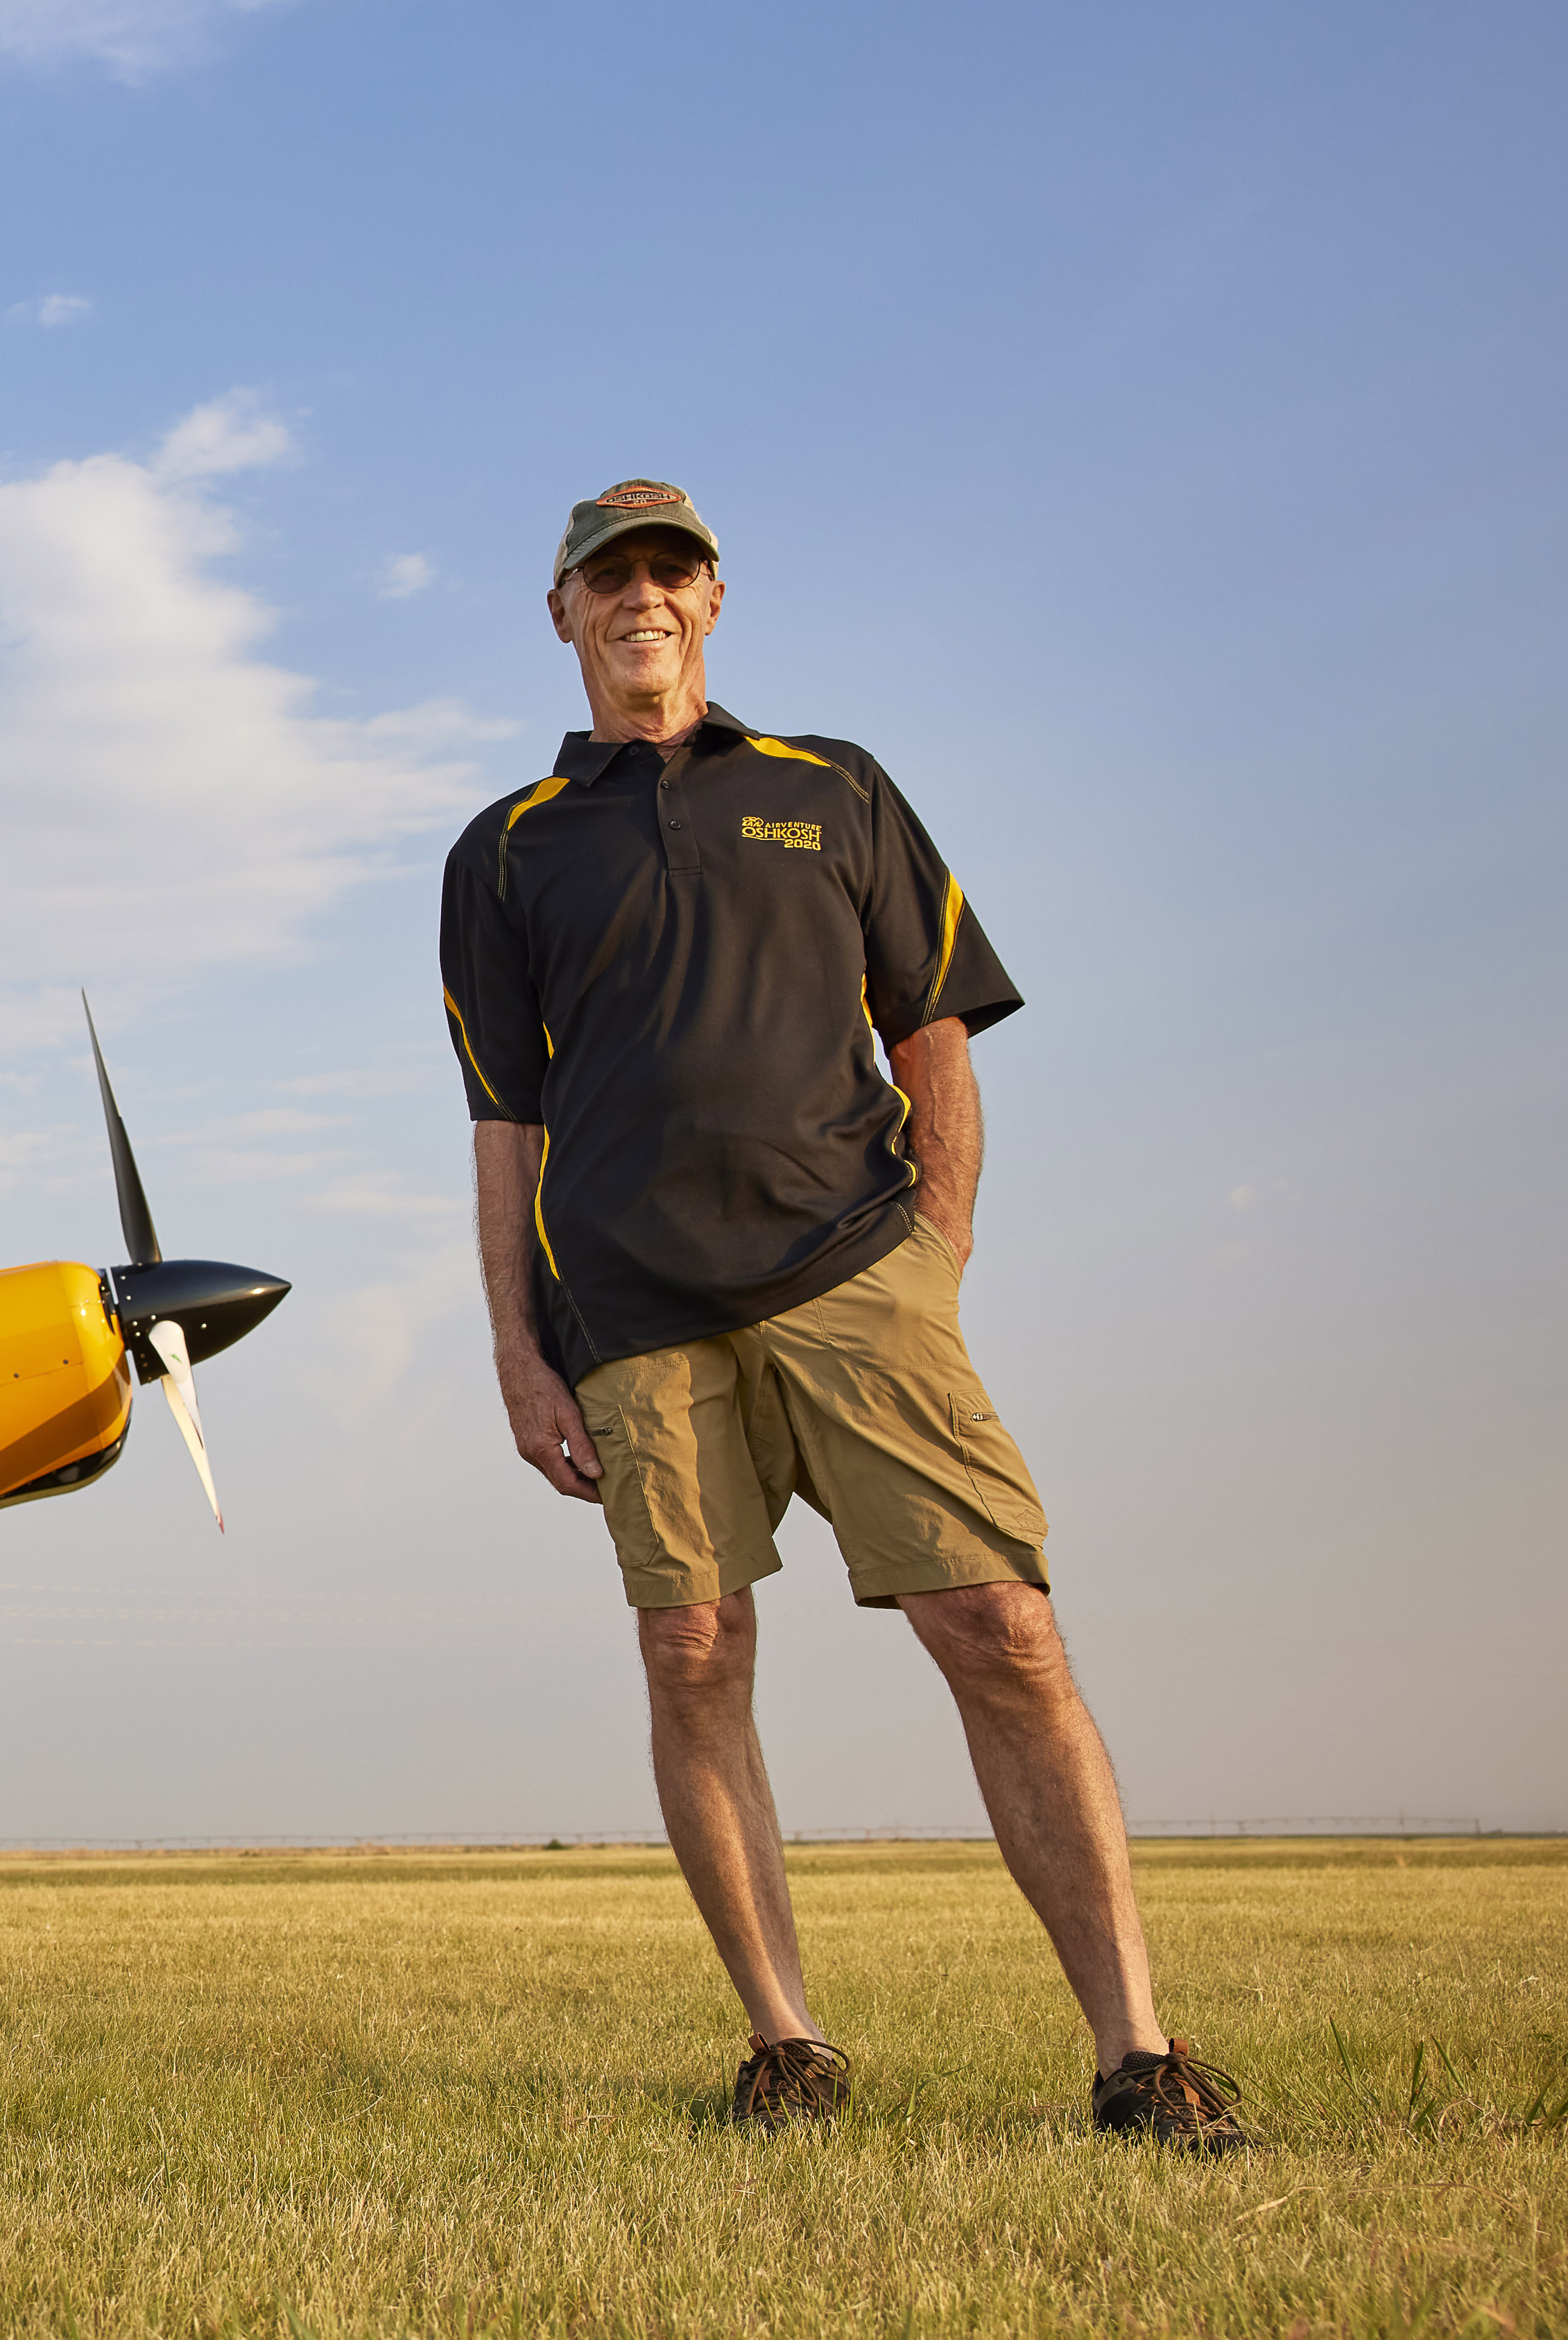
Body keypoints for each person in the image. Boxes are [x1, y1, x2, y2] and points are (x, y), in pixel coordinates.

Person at [435, 479, 1248, 2148]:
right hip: (630, 1313)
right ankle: (785, 2043)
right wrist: (516, 1353)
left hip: (856, 1274)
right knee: (692, 1652)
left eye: (668, 570)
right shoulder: (503, 849)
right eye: (608, 575)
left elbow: (931, 1021)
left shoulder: (834, 787)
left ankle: (1135, 2056)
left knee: (1001, 1630)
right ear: (561, 612)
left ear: (711, 598)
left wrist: (935, 1244)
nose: (640, 596)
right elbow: (501, 1117)